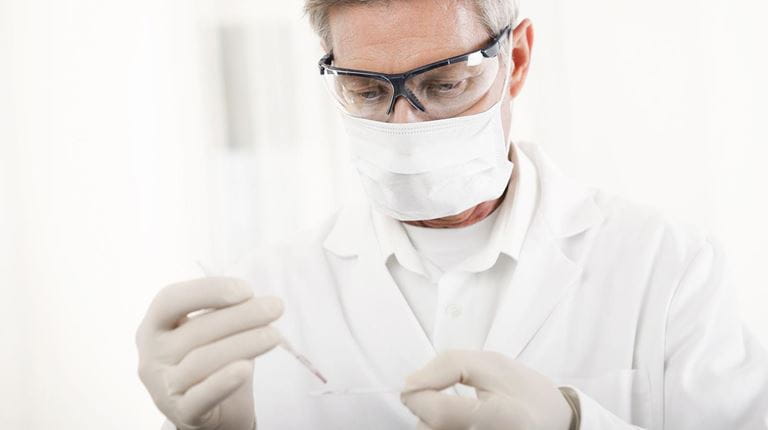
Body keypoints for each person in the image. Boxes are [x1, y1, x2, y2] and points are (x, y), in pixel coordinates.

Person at [135, 0, 768, 428]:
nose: (404, 126)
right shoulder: (270, 293)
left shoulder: (668, 266)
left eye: (445, 85)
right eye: (368, 91)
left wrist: (577, 422)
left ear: (515, 60)